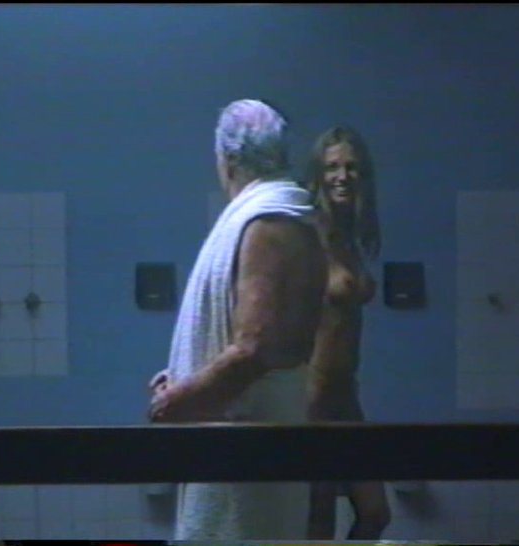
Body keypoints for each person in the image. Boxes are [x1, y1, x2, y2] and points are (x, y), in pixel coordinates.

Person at [148, 99, 327, 540]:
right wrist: (185, 374)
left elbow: (255, 348)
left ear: (226, 160)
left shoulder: (271, 222)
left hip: (251, 454)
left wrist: (182, 399)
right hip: (240, 445)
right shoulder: (270, 217)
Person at [304, 126, 391, 539]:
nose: (342, 176)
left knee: (375, 513)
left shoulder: (349, 238)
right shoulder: (309, 232)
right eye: (332, 167)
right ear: (318, 175)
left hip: (346, 398)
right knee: (318, 523)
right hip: (313, 398)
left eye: (352, 167)